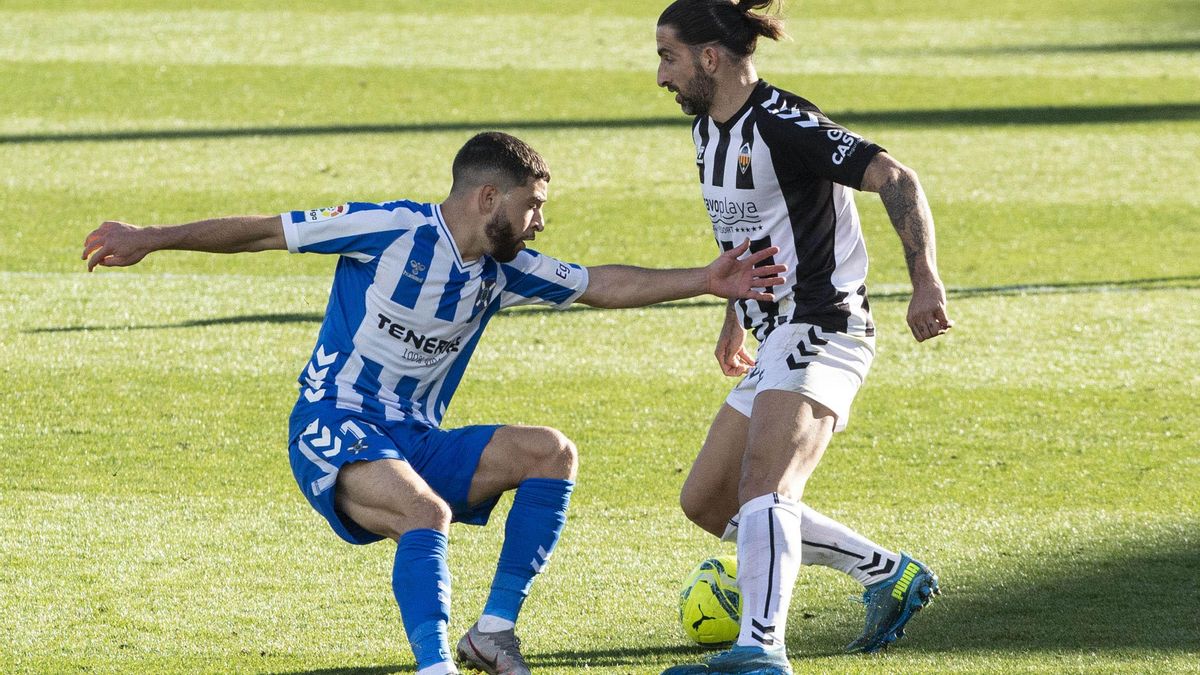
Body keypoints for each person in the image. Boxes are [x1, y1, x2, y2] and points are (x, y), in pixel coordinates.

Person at [81, 131, 786, 675]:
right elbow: (266, 231)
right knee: (426, 513)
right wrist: (149, 238)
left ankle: (492, 633)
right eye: (533, 205)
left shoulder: (504, 269)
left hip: (415, 439)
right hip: (334, 424)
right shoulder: (388, 228)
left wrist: (705, 279)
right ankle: (434, 666)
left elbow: (599, 284)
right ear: (488, 197)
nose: (539, 222)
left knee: (551, 453)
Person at [654, 1, 953, 673]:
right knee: (708, 500)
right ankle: (888, 572)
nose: (662, 76)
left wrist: (925, 280)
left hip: (825, 323)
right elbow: (747, 229)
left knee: (767, 484)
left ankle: (760, 652)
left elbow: (895, 177)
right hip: (775, 333)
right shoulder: (706, 129)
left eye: (668, 57)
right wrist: (735, 311)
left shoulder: (784, 122)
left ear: (709, 58)